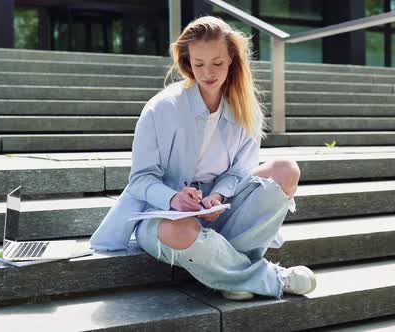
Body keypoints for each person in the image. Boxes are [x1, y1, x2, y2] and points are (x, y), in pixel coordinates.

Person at [89, 16, 316, 300]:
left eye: (217, 63)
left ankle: (229, 275)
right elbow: (140, 180)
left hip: (219, 208)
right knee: (180, 231)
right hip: (165, 214)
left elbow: (239, 173)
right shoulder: (161, 108)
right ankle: (270, 278)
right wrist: (174, 199)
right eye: (198, 64)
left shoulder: (245, 109)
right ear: (187, 62)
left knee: (285, 169)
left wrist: (218, 196)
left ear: (232, 59)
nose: (207, 72)